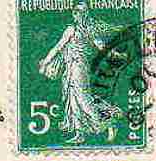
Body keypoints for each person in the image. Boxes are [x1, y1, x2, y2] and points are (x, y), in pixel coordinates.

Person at [38, 0, 122, 144]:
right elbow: (58, 48)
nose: (76, 14)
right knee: (73, 99)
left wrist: (115, 54)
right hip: (70, 68)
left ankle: (108, 124)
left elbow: (101, 46)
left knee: (82, 99)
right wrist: (46, 61)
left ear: (85, 14)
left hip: (79, 67)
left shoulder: (85, 30)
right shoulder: (73, 29)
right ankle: (79, 133)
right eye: (75, 12)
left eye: (80, 12)